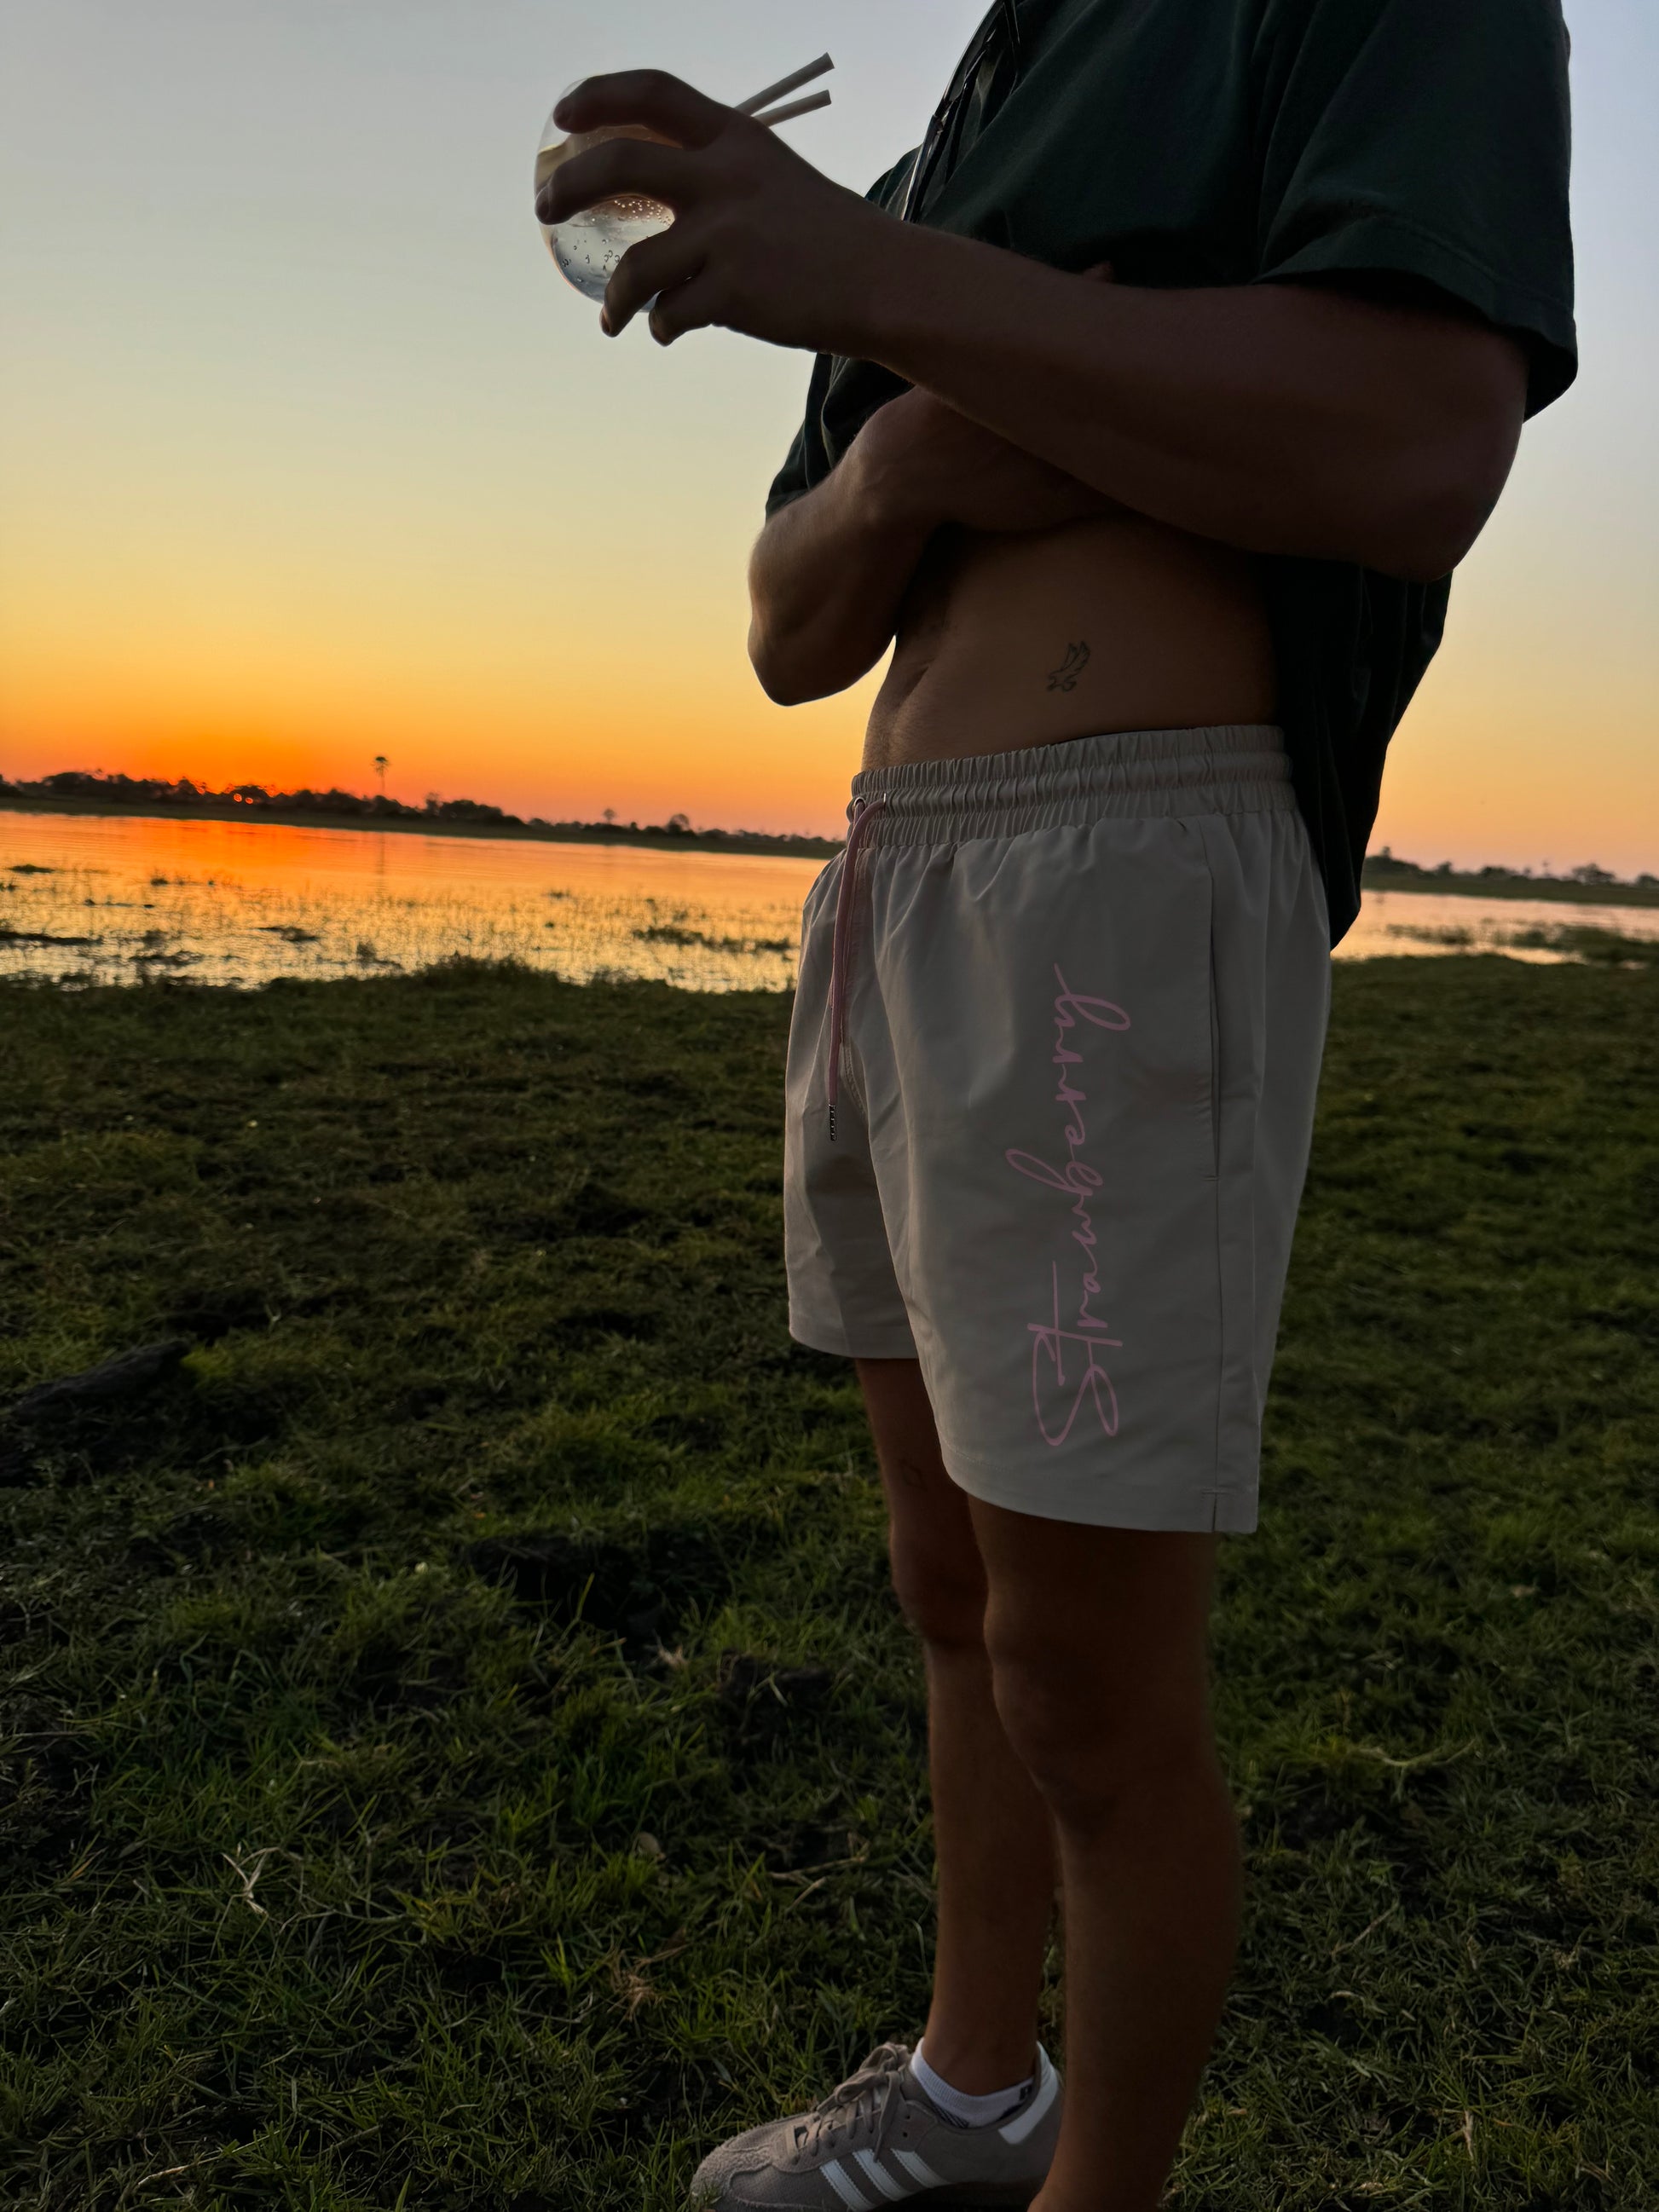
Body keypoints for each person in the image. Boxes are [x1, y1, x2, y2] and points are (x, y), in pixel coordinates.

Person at [538, 3, 1575, 2205]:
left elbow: (1414, 443)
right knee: (947, 1581)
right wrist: (917, 446)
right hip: (886, 876)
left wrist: (882, 287)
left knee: (1089, 1677)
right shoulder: (979, 113)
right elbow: (788, 619)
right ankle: (968, 2080)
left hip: (1120, 871)